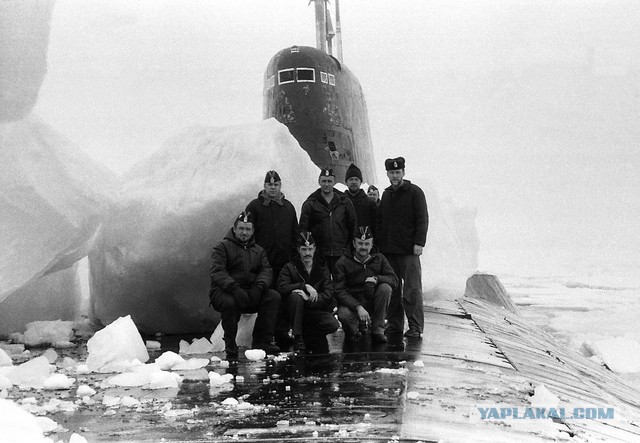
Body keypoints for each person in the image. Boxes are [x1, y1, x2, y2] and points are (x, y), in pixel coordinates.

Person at [209, 211, 281, 359]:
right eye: (241, 228)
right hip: (226, 292)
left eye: (248, 229)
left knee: (273, 297)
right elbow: (218, 272)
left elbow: (266, 270)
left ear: (253, 231)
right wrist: (233, 288)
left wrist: (259, 287)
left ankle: (263, 341)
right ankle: (230, 343)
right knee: (230, 303)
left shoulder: (258, 251)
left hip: (251, 291)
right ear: (234, 229)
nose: (244, 232)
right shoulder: (222, 247)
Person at [375, 157, 428, 339]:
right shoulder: (387, 194)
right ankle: (395, 325)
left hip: (408, 251)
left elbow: (422, 218)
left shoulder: (415, 192)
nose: (395, 176)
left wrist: (419, 243)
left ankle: (415, 327)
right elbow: (381, 221)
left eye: (398, 172)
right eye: (392, 173)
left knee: (412, 289)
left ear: (403, 172)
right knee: (394, 290)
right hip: (389, 251)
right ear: (387, 174)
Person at [245, 170, 299, 348]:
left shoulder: (288, 207)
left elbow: (295, 234)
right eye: (270, 185)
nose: (273, 188)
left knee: (282, 298)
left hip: (283, 263)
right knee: (268, 300)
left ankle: (282, 332)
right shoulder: (254, 207)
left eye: (276, 185)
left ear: (280, 185)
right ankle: (263, 337)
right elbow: (248, 234)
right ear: (264, 186)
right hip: (264, 264)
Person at [277, 231, 340, 353]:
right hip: (294, 312)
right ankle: (298, 337)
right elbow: (282, 287)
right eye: (304, 249)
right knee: (296, 296)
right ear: (298, 249)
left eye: (310, 249)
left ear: (315, 249)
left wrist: (309, 299)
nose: (307, 253)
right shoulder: (290, 267)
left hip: (315, 311)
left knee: (333, 324)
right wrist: (303, 286)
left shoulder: (321, 267)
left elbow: (328, 294)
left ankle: (308, 334)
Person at [334, 226, 397, 344]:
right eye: (360, 243)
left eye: (367, 244)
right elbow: (339, 291)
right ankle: (355, 330)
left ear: (372, 244)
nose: (363, 247)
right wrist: (358, 307)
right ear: (354, 243)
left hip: (372, 302)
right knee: (344, 315)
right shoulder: (342, 263)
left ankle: (378, 330)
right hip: (352, 305)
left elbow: (394, 280)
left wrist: (376, 279)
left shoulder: (380, 259)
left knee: (385, 288)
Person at [299, 167, 357, 273]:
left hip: (341, 253)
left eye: (329, 181)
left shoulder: (345, 202)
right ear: (319, 181)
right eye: (324, 181)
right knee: (323, 285)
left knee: (340, 283)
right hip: (319, 254)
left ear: (334, 182)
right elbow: (303, 230)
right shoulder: (311, 203)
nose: (326, 184)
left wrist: (350, 249)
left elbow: (353, 226)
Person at [344, 163, 377, 234]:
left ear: (360, 182)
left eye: (356, 179)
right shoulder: (340, 203)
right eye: (351, 179)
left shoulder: (370, 204)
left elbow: (376, 227)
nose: (353, 182)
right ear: (346, 182)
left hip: (363, 243)